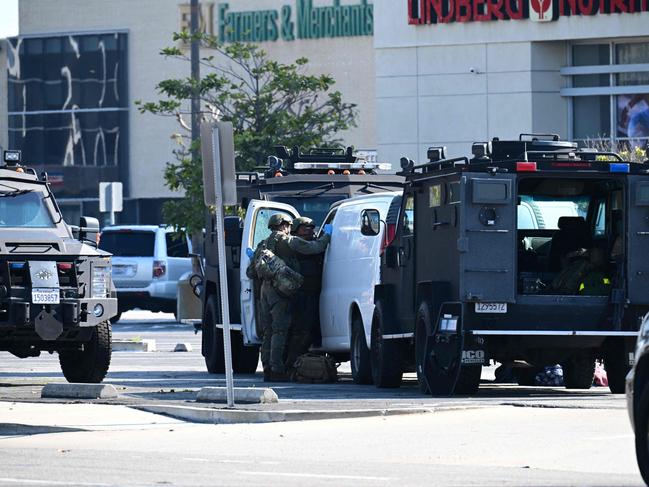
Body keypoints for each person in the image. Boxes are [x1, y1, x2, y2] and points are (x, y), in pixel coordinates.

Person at [257, 213, 330, 382]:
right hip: (280, 291)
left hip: (265, 290)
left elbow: (251, 271)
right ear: (285, 225)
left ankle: (267, 367)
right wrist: (327, 236)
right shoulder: (287, 241)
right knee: (280, 330)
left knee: (268, 332)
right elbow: (315, 248)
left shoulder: (262, 244)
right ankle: (277, 369)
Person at [285, 217, 324, 371]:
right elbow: (315, 248)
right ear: (295, 229)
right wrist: (326, 237)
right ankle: (292, 364)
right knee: (301, 330)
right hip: (301, 294)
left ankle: (300, 363)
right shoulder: (295, 243)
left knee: (308, 329)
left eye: (311, 227)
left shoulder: (310, 242)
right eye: (304, 228)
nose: (309, 230)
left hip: (313, 292)